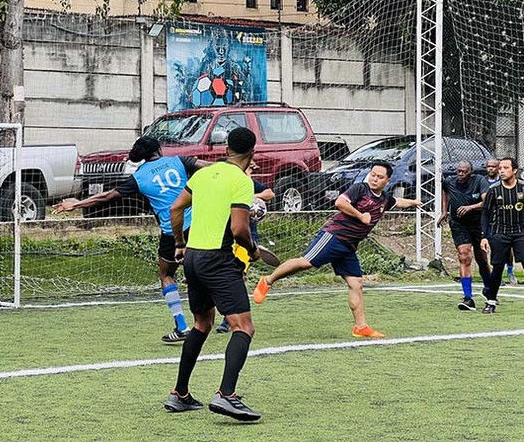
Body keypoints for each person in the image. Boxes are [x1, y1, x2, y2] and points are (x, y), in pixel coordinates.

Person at [53, 137, 209, 343]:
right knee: (206, 270)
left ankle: (181, 326)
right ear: (159, 150)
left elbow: (106, 196)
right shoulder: (178, 161)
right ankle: (227, 316)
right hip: (197, 225)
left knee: (166, 275)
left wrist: (77, 204)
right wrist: (237, 166)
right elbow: (208, 167)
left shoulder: (140, 177)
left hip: (172, 232)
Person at [164, 127, 265, 422]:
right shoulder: (242, 181)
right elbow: (239, 229)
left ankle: (179, 394)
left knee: (202, 323)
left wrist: (180, 244)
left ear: (225, 150)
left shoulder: (202, 175)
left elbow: (175, 208)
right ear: (252, 154)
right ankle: (227, 396)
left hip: (193, 257)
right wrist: (253, 250)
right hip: (218, 259)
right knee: (243, 327)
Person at [253, 162, 421, 338]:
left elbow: (397, 201)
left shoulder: (385, 198)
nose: (374, 179)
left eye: (379, 177)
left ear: (387, 180)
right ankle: (268, 280)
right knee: (305, 263)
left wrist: (413, 202)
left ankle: (361, 327)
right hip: (334, 236)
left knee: (356, 283)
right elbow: (340, 202)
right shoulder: (360, 189)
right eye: (373, 174)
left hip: (349, 246)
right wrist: (360, 215)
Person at [215, 169, 275, 334]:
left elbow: (270, 193)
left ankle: (227, 319)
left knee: (238, 275)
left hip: (246, 239)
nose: (250, 169)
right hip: (225, 238)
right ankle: (224, 312)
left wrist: (255, 197)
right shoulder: (225, 186)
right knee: (222, 275)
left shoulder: (249, 183)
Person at [438, 161, 490, 310]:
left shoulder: (479, 181)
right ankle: (468, 298)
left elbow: (487, 201)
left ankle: (488, 289)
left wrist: (470, 207)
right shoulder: (449, 182)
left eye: (464, 172)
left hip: (478, 223)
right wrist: (444, 211)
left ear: (471, 172)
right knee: (464, 255)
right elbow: (445, 190)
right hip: (459, 224)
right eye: (458, 171)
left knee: (482, 259)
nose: (460, 174)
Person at [480, 157, 524, 313]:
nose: (502, 171)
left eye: (506, 168)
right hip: (500, 232)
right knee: (498, 267)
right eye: (500, 168)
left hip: (520, 232)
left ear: (514, 170)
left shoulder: (522, 188)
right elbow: (485, 213)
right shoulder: (494, 189)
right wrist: (484, 236)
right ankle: (491, 301)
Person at [486, 157, 517, 285]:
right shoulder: (485, 183)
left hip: (513, 223)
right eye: (490, 167)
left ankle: (510, 271)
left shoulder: (508, 182)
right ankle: (497, 278)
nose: (493, 169)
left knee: (509, 251)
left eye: (496, 166)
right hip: (495, 224)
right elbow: (485, 206)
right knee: (496, 250)